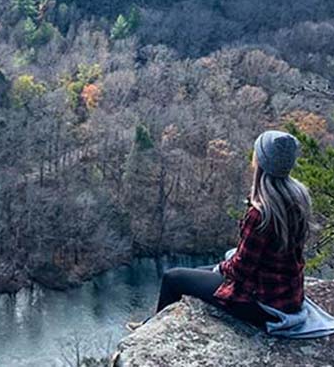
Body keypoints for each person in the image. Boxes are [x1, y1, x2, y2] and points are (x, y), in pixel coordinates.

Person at [127, 130, 311, 331]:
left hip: (264, 305)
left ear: (261, 162)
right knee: (196, 274)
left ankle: (153, 332)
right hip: (286, 296)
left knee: (173, 278)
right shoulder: (298, 197)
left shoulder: (261, 213)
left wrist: (222, 268)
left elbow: (241, 270)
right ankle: (154, 323)